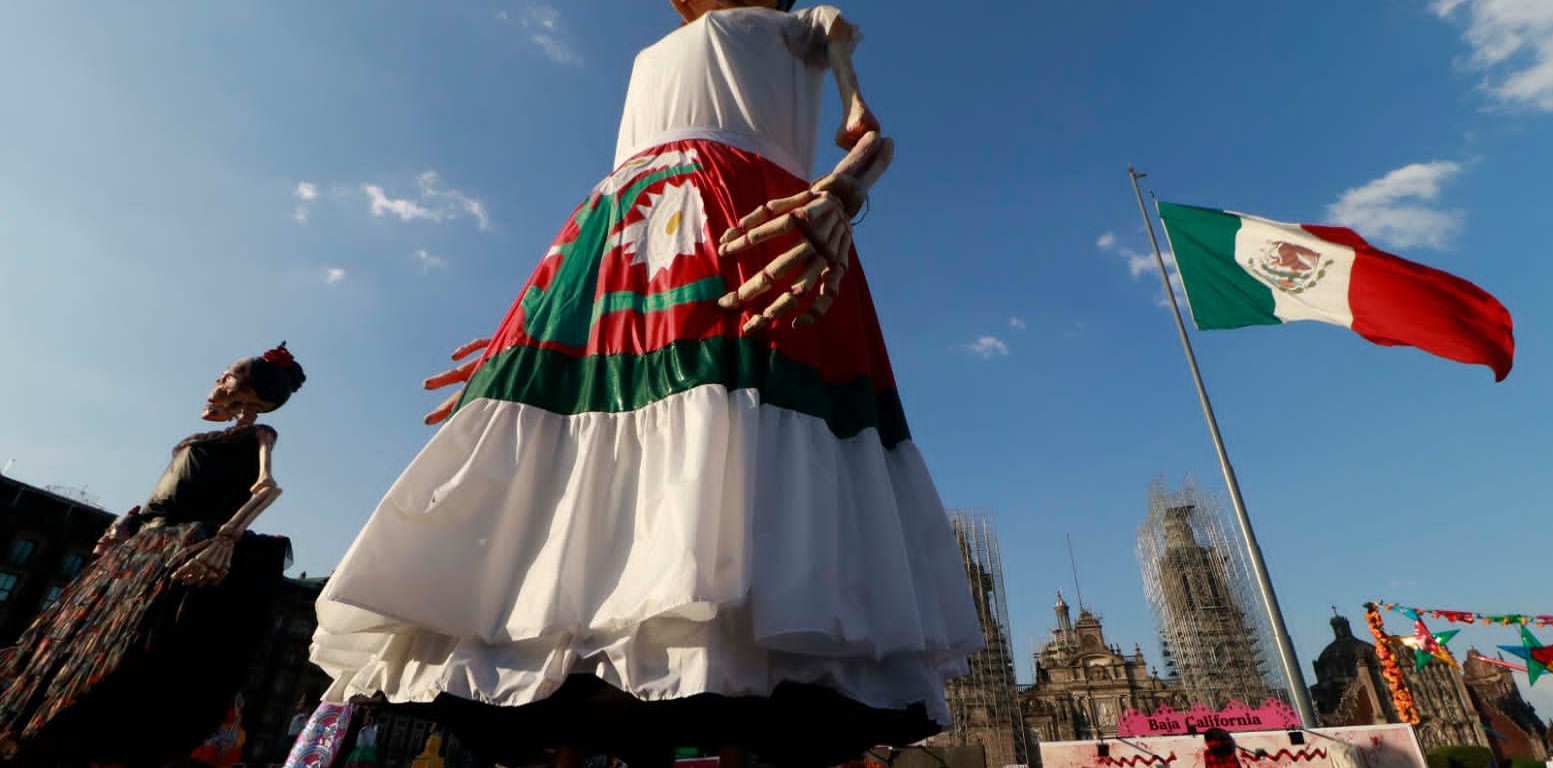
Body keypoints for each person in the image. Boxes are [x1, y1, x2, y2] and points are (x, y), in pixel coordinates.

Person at [309, 3, 982, 767]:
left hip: (752, 221)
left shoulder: (801, 28)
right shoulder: (655, 54)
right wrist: (523, 331)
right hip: (619, 231)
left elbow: (870, 135)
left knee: (737, 444)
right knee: (611, 454)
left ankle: (732, 680)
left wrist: (840, 195)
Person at [0, 344, 305, 768]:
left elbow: (268, 487)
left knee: (130, 652)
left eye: (228, 376)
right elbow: (160, 498)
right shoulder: (204, 438)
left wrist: (226, 539)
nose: (218, 381)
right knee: (88, 642)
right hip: (143, 548)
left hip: (180, 547)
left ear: (251, 394)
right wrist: (123, 526)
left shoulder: (258, 436)